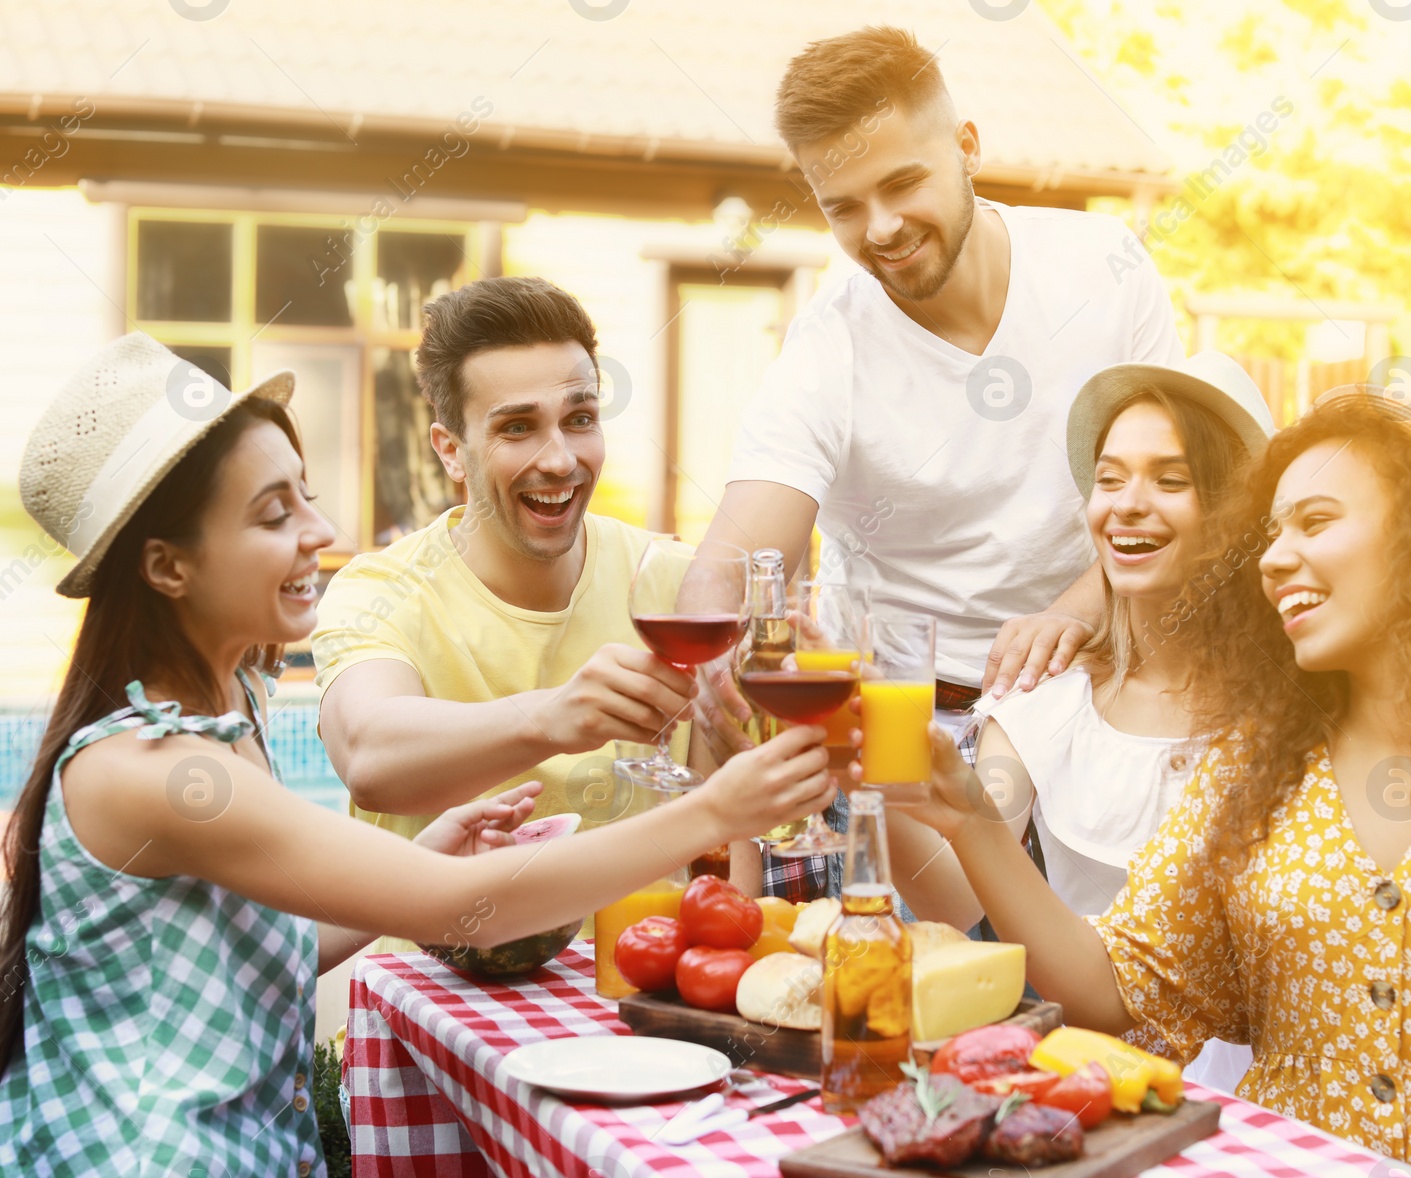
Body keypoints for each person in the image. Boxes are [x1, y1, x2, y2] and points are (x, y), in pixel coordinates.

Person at [0, 334, 832, 1175]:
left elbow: (264, 947)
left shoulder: (224, 714)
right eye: (273, 514)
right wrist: (719, 809)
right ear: (167, 566)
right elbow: (461, 904)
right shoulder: (157, 773)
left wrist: (418, 853)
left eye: (306, 497)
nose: (319, 531)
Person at [899, 385, 1411, 1174]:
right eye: (1270, 532)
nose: (1273, 556)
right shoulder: (1251, 771)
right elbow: (1116, 992)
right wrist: (970, 818)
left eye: (1317, 521)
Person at [694, 25, 1186, 768]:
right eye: (843, 208)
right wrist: (706, 644)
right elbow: (738, 551)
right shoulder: (829, 347)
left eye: (902, 184)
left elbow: (1191, 491)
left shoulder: (1105, 270)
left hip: (1095, 685)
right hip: (901, 715)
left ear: (967, 147)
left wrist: (1072, 613)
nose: (882, 229)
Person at [886, 352, 1270, 1092]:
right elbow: (964, 893)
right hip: (1095, 1080)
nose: (1125, 503)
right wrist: (860, 781)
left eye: (1171, 478)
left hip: (1264, 1094)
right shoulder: (1047, 698)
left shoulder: (1299, 712)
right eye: (1111, 477)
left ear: (1236, 517)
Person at [312, 276, 764, 901]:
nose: (558, 460)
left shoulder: (679, 584)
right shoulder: (379, 589)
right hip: (435, 989)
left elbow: (733, 840)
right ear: (450, 450)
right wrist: (554, 717)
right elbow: (369, 760)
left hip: (633, 982)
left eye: (579, 419)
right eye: (518, 428)